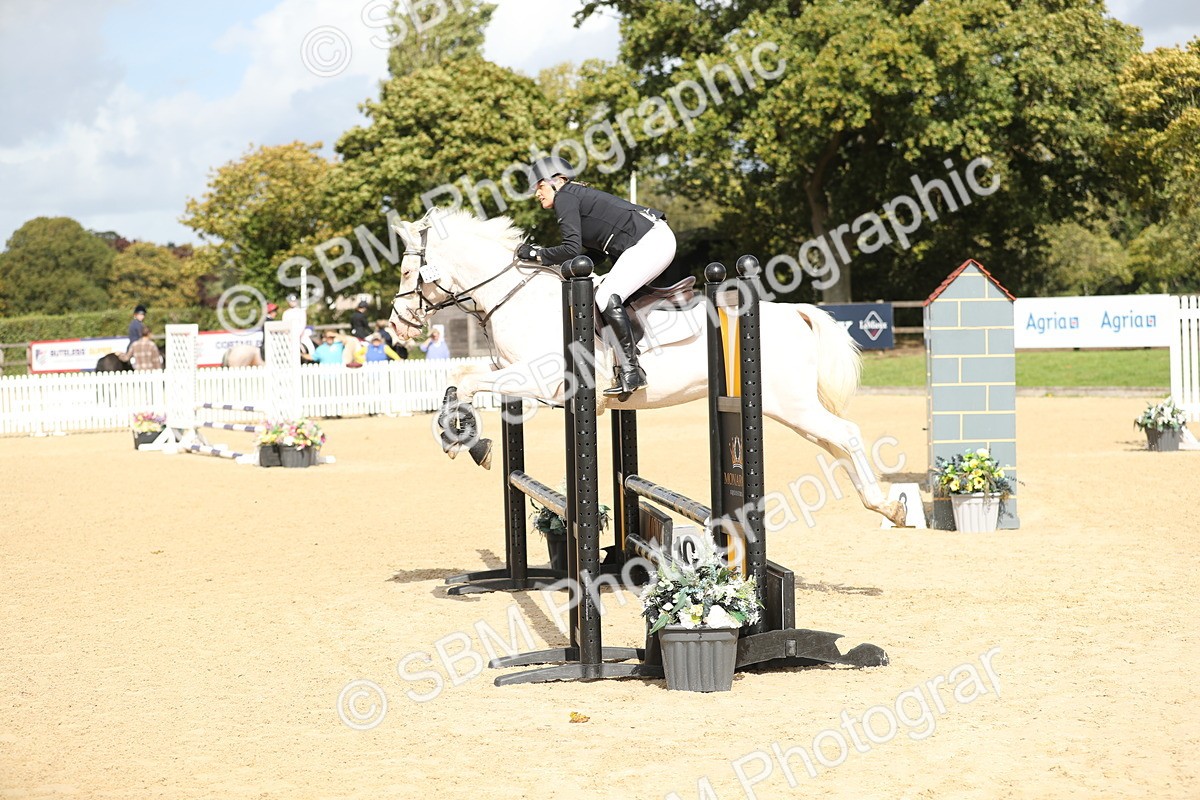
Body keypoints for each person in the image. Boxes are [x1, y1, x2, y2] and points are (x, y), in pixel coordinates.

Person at [518, 156, 676, 396]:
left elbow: (571, 249)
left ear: (557, 181)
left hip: (651, 241)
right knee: (608, 291)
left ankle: (632, 371)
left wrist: (536, 253)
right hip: (651, 240)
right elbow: (592, 256)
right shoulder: (574, 196)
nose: (536, 194)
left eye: (539, 186)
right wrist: (563, 267)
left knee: (606, 297)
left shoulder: (565, 197)